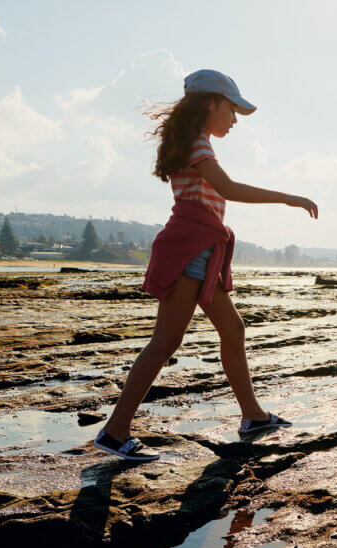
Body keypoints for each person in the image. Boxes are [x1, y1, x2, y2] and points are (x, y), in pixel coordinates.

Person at [94, 70, 318, 461]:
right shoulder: (197, 144)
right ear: (211, 102)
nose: (234, 120)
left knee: (233, 329)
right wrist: (288, 197)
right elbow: (229, 188)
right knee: (166, 341)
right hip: (189, 248)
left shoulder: (192, 142)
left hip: (201, 248)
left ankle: (253, 416)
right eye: (232, 110)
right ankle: (115, 431)